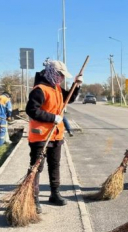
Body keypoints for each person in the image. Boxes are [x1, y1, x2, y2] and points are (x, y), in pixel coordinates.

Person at [26, 60, 82, 214]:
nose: (62, 79)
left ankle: (54, 194)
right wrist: (52, 118)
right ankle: (33, 197)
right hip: (40, 136)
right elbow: (31, 110)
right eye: (60, 75)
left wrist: (76, 85)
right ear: (52, 72)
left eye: (64, 76)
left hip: (56, 136)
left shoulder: (56, 88)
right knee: (36, 167)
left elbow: (68, 98)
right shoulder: (40, 90)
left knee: (55, 165)